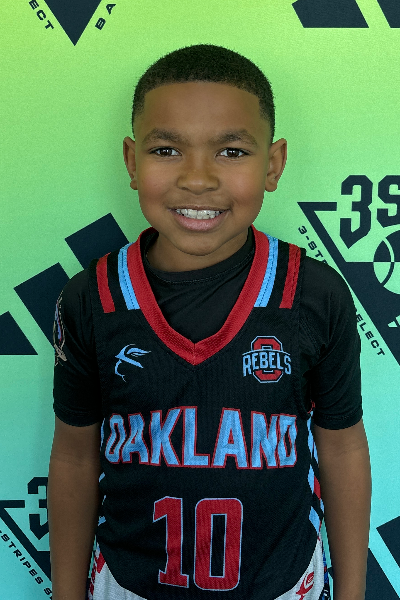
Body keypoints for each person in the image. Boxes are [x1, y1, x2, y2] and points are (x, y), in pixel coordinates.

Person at [48, 44, 371, 600]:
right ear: (131, 161)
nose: (197, 179)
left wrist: (353, 592)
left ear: (273, 164)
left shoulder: (315, 295)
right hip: (128, 584)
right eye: (166, 149)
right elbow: (75, 456)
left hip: (282, 584)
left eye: (232, 151)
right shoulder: (90, 299)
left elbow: (342, 449)